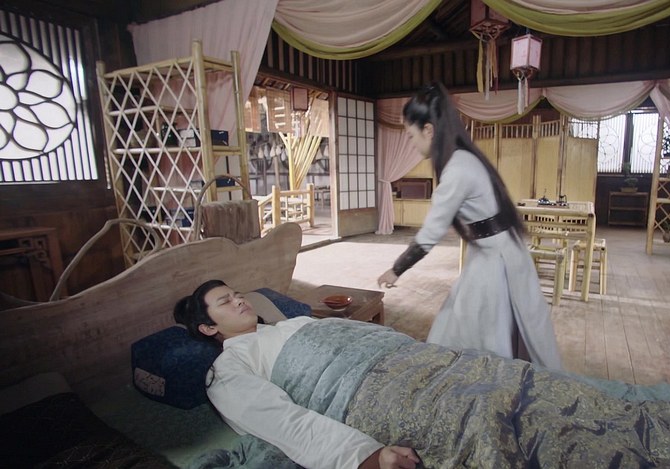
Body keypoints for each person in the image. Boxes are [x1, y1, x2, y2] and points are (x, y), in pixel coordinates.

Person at [377, 82, 561, 369]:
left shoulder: (457, 170)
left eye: (411, 135)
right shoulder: (463, 159)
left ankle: (489, 383)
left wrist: (395, 269)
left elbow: (430, 233)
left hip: (496, 261)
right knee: (467, 325)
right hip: (494, 253)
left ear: (428, 130)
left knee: (477, 335)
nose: (411, 143)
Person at [174, 280, 420, 469]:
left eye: (238, 295)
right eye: (225, 302)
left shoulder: (292, 323)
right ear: (209, 328)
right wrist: (366, 457)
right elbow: (280, 420)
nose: (239, 301)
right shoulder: (228, 366)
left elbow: (361, 333)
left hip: (409, 358)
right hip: (371, 387)